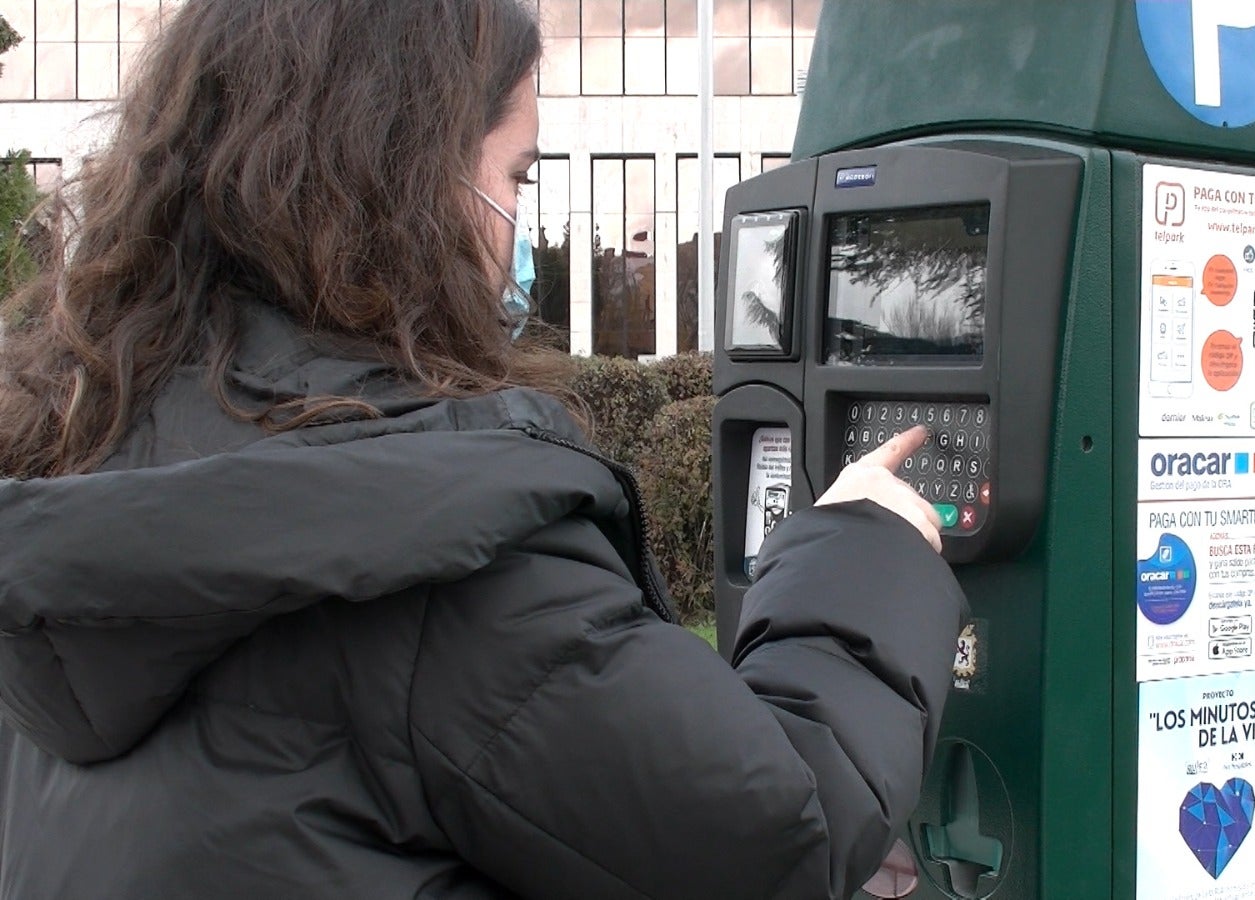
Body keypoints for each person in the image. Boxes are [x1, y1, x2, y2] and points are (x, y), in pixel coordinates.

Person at [0, 2, 965, 898]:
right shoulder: (429, 542)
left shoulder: (85, 454)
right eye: (516, 176)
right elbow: (775, 829)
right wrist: (861, 549)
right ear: (402, 184)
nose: (520, 229)